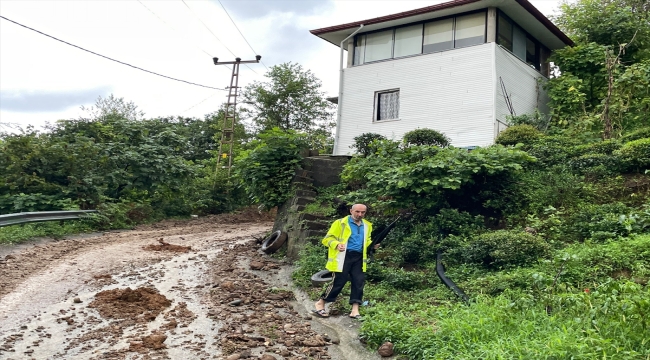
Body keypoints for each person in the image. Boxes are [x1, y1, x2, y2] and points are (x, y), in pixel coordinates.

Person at [313, 203, 378, 319]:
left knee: (359, 281)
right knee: (339, 281)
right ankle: (320, 303)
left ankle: (355, 310)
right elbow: (327, 239)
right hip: (343, 256)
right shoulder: (340, 223)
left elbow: (366, 241)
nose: (360, 214)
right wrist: (336, 244)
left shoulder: (367, 225)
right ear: (351, 211)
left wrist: (372, 245)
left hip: (359, 257)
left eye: (363, 212)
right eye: (357, 212)